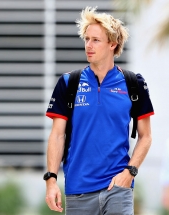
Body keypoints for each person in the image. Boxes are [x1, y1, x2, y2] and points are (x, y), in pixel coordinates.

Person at [43, 6, 154, 215]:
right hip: (79, 190)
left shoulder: (133, 84)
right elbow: (57, 135)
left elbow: (146, 136)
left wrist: (129, 172)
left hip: (118, 188)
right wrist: (51, 180)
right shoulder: (69, 83)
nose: (88, 45)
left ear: (112, 44)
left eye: (95, 40)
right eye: (86, 39)